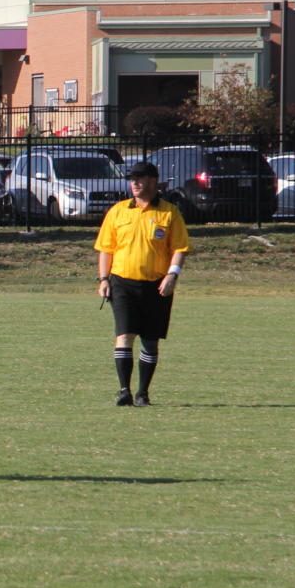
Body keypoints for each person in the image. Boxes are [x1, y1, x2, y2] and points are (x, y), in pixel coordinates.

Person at [94, 160, 190, 407]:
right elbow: (105, 249)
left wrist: (172, 275)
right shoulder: (118, 211)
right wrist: (104, 279)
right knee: (124, 335)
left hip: (157, 285)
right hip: (122, 283)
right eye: (132, 179)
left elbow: (180, 248)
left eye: (140, 178)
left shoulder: (169, 212)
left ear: (153, 181)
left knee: (150, 339)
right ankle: (124, 390)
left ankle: (142, 394)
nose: (134, 183)